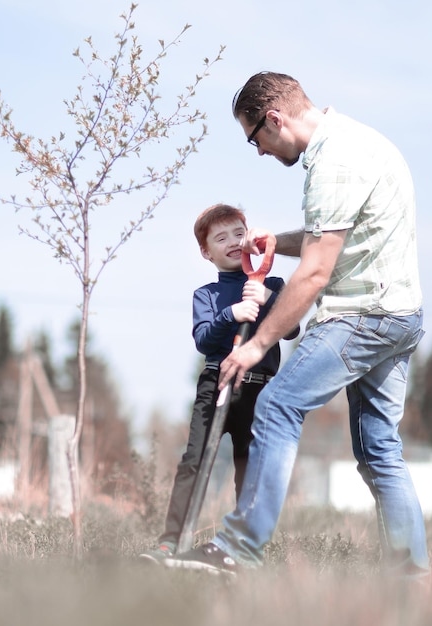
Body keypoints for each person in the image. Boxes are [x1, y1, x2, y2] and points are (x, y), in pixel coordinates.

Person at [164, 72, 430, 581]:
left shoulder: (333, 161)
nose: (259, 152)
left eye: (254, 138)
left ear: (275, 119)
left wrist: (256, 344)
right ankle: (411, 578)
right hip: (400, 316)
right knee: (380, 450)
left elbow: (313, 274)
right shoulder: (360, 140)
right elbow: (330, 237)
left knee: (277, 403)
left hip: (362, 317)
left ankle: (238, 550)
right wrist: (275, 242)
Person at [140, 202, 297, 562]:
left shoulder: (271, 284)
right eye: (220, 237)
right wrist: (231, 314)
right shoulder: (206, 296)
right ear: (205, 252)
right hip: (217, 383)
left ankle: (242, 549)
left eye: (238, 234)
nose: (231, 241)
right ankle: (171, 542)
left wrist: (270, 300)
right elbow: (205, 340)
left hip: (260, 389)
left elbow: (292, 330)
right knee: (195, 461)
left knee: (249, 465)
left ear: (251, 240)